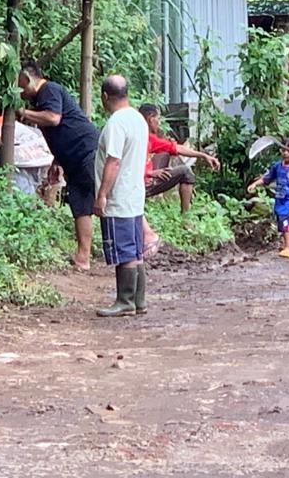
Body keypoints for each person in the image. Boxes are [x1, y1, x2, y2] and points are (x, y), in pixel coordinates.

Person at [16, 60, 100, 270]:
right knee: (81, 204)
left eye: (21, 85)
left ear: (29, 78)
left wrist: (23, 113)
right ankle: (83, 258)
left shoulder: (49, 89)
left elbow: (54, 119)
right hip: (74, 157)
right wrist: (57, 160)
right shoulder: (40, 100)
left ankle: (145, 236)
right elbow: (58, 130)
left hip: (86, 151)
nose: (20, 91)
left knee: (105, 197)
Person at [93, 75, 150, 318]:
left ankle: (125, 300)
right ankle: (138, 300)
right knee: (134, 251)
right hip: (134, 195)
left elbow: (113, 161)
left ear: (105, 96)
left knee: (124, 251)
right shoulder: (138, 118)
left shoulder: (117, 122)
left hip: (119, 196)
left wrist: (102, 194)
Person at [139, 103, 220, 256]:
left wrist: (204, 156)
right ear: (150, 119)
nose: (159, 122)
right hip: (138, 184)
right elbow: (125, 165)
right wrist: (150, 173)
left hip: (148, 180)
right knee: (184, 171)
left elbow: (176, 148)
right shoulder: (138, 138)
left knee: (180, 168)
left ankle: (185, 219)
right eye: (158, 119)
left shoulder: (150, 138)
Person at [247, 142, 289, 260]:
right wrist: (255, 184)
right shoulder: (277, 166)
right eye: (283, 150)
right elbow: (266, 178)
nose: (286, 153)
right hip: (280, 200)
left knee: (286, 223)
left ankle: (288, 247)